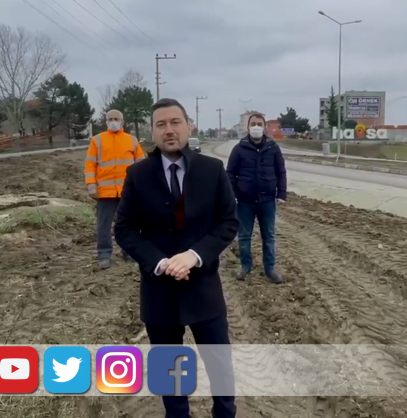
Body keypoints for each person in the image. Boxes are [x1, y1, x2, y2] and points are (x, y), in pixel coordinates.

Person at [114, 98, 239, 418]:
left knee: (220, 367)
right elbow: (124, 229)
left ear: (188, 126)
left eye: (175, 122)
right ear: (152, 132)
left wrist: (194, 256)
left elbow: (228, 223)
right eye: (161, 124)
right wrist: (161, 263)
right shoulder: (138, 175)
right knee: (169, 371)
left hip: (204, 289)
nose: (169, 130)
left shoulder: (212, 170)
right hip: (159, 292)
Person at [225, 113, 286, 283]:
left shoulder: (273, 148)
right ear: (248, 127)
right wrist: (232, 195)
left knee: (269, 236)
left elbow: (281, 171)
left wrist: (281, 193)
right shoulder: (239, 149)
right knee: (244, 236)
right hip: (245, 201)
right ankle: (245, 266)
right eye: (253, 124)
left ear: (264, 127)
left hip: (267, 201)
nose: (256, 127)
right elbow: (230, 174)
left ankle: (270, 269)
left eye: (259, 124)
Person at [83, 109, 145, 269]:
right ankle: (104, 255)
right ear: (106, 121)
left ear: (122, 122)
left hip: (128, 192)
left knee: (129, 224)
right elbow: (90, 165)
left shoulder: (131, 141)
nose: (113, 122)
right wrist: (91, 186)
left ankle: (129, 252)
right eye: (110, 119)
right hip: (105, 193)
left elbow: (142, 166)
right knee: (103, 225)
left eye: (116, 119)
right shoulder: (97, 141)